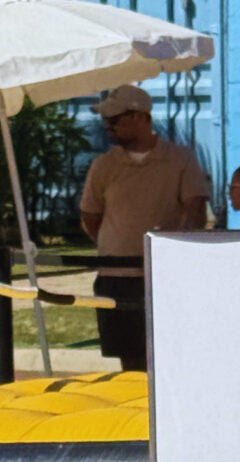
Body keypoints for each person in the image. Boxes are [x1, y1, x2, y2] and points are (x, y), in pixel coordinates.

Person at [77, 85, 209, 370]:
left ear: (140, 117)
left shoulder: (181, 159)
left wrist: (177, 253)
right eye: (105, 120)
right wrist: (115, 245)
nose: (107, 126)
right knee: (130, 365)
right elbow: (90, 217)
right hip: (116, 277)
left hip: (165, 276)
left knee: (173, 360)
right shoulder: (103, 165)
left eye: (114, 119)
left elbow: (195, 212)